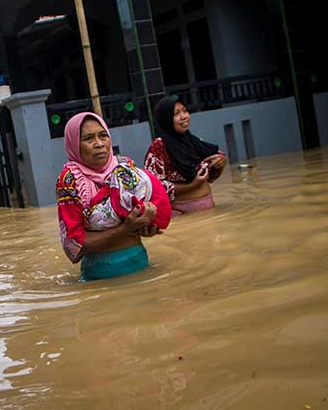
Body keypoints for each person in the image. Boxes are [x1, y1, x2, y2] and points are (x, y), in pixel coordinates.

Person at [56, 112, 170, 281]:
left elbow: (144, 213)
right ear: (75, 145)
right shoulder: (69, 181)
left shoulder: (125, 166)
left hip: (139, 261)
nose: (99, 144)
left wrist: (146, 227)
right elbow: (76, 245)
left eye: (103, 136)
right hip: (100, 275)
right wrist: (125, 229)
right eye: (88, 139)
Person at [144, 96, 227, 215]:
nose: (184, 116)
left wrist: (221, 163)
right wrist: (192, 185)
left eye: (185, 110)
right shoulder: (159, 147)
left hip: (209, 211)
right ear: (166, 119)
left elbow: (210, 176)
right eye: (176, 113)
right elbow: (154, 188)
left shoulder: (194, 142)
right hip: (181, 215)